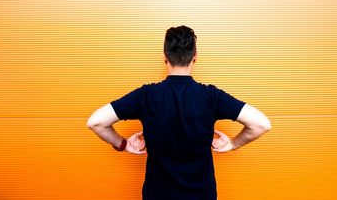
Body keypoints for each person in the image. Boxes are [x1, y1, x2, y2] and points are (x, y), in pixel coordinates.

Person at [87, 25, 271, 200]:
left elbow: (96, 122)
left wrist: (123, 144)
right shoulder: (211, 96)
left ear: (165, 57)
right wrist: (232, 144)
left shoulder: (146, 96)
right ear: (195, 57)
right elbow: (260, 124)